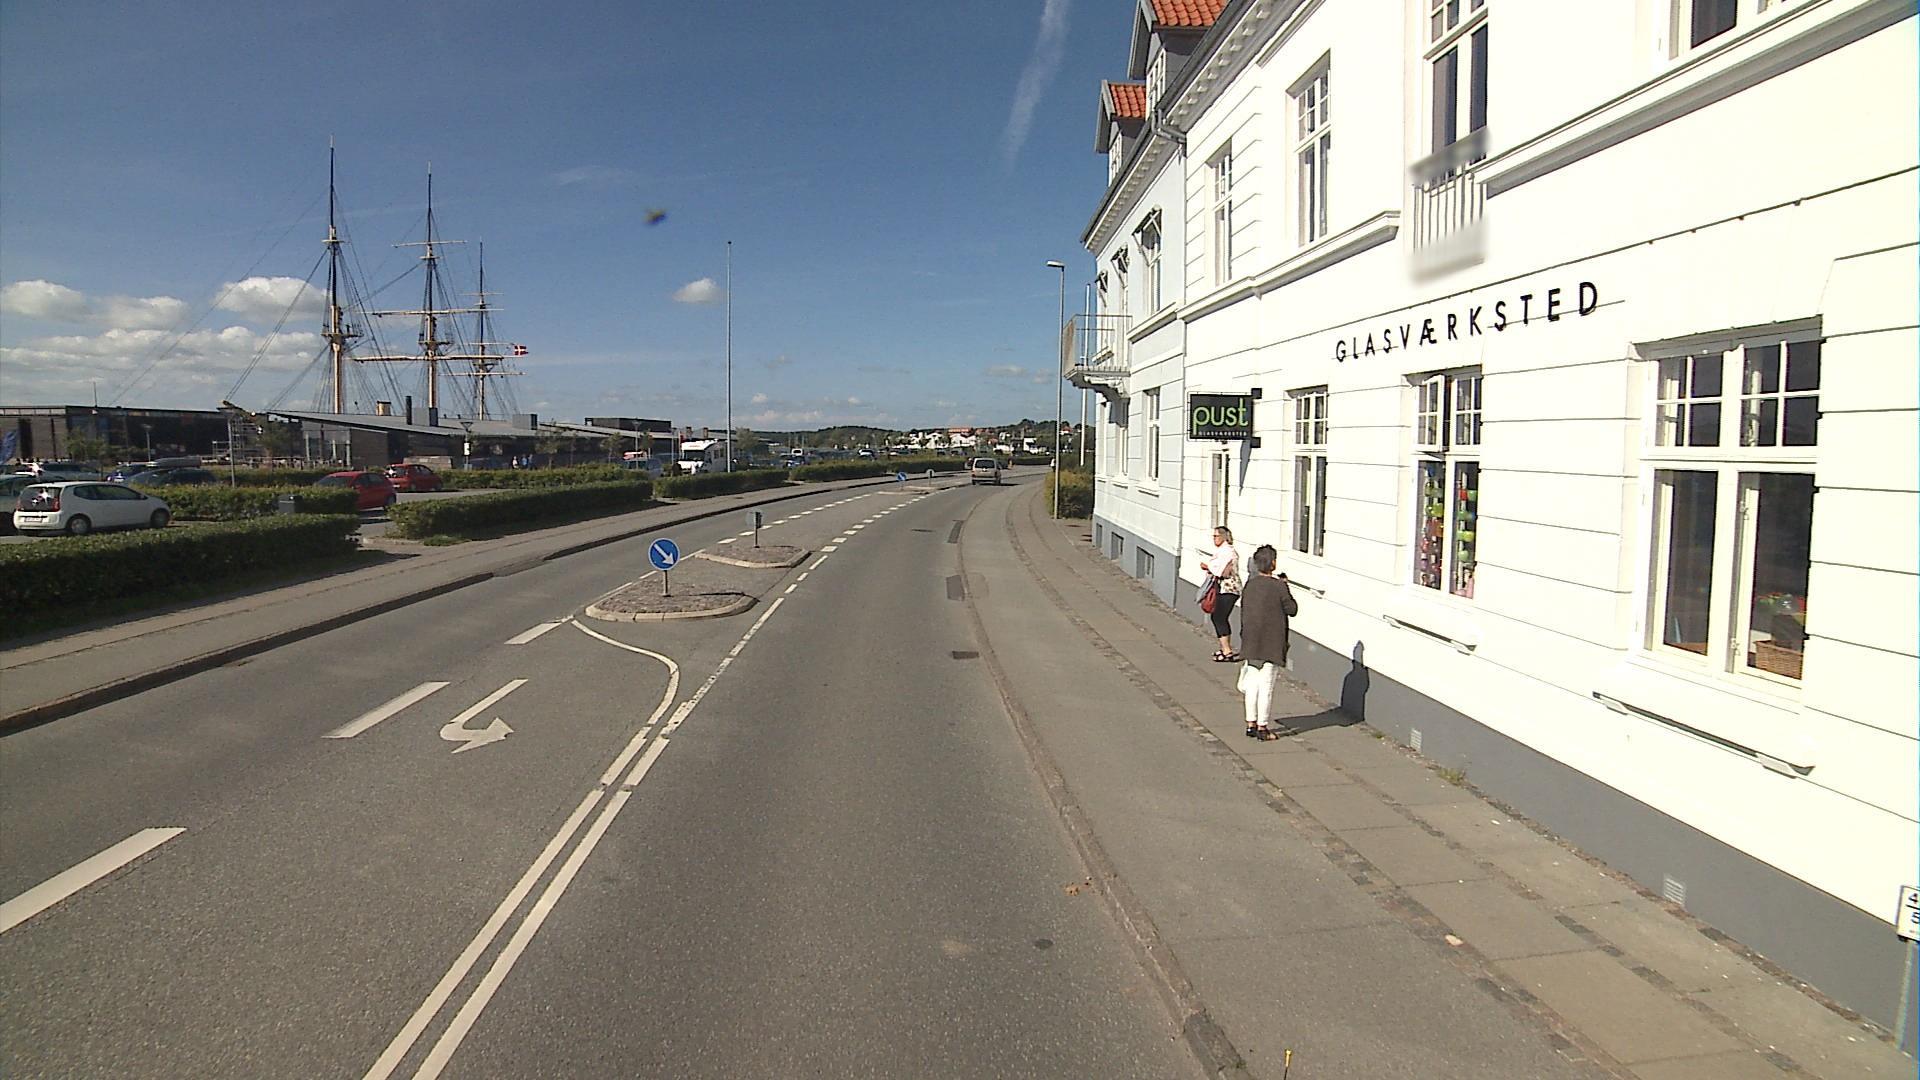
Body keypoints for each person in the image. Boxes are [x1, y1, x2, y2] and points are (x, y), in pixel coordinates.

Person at [1238, 544, 1299, 739]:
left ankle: (1250, 723)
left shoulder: (1250, 585)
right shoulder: (1278, 586)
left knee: (1251, 684)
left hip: (1251, 639)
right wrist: (1286, 586)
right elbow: (1292, 609)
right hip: (1271, 642)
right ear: (1273, 563)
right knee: (1266, 686)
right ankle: (1262, 727)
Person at [1196, 525, 1243, 661]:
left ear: (1223, 537)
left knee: (1219, 617)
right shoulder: (1223, 551)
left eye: (1216, 536)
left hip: (1229, 589)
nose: (1214, 539)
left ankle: (1227, 651)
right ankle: (1224, 648)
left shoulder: (1227, 551)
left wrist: (1207, 566)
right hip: (1224, 589)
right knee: (1218, 617)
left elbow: (1221, 571)